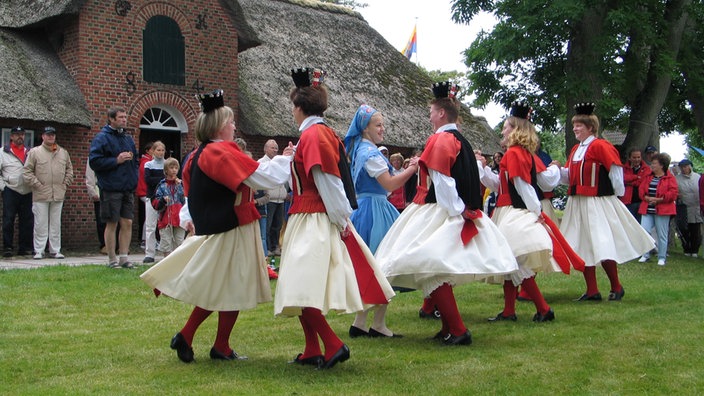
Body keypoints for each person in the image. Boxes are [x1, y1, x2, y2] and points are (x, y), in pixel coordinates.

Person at [141, 89, 294, 363]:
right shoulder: (221, 152)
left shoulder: (197, 154)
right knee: (231, 286)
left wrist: (191, 221)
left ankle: (200, 339)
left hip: (220, 226)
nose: (234, 126)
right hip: (232, 227)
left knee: (221, 286)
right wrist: (289, 159)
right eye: (231, 121)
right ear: (221, 125)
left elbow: (191, 195)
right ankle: (210, 342)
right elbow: (262, 176)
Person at [375, 81, 518, 345]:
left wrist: (458, 210)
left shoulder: (440, 139)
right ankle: (449, 327)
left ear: (441, 113)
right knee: (433, 266)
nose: (429, 116)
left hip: (439, 211)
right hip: (447, 209)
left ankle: (458, 329)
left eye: (431, 111)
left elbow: (443, 180)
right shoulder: (461, 140)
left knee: (431, 267)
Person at [274, 67, 394, 369]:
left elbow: (329, 182)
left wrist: (342, 221)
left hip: (314, 217)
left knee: (300, 286)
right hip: (308, 214)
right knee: (300, 286)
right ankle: (312, 348)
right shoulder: (317, 134)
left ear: (300, 106)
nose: (292, 111)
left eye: (293, 105)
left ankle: (332, 344)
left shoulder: (314, 135)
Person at [478, 102, 582, 322]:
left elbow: (523, 185)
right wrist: (482, 169)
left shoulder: (515, 153)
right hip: (508, 210)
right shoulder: (518, 153)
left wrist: (536, 213)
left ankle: (543, 308)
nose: (502, 131)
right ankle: (509, 311)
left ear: (514, 129)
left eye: (506, 127)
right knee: (510, 261)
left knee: (515, 261)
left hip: (513, 211)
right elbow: (501, 184)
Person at [559, 103, 654, 301]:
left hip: (597, 202)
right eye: (575, 125)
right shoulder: (576, 149)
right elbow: (569, 177)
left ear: (591, 128)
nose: (575, 128)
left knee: (603, 243)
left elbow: (616, 172)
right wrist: (555, 171)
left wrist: (615, 198)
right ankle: (592, 290)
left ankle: (616, 286)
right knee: (582, 243)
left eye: (579, 126)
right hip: (578, 202)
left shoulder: (601, 145)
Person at [343, 104, 419, 338]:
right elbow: (389, 184)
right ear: (365, 128)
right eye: (378, 125)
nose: (382, 129)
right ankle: (376, 323)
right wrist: (412, 169)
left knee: (373, 264)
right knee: (383, 263)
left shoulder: (362, 151)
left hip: (367, 208)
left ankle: (362, 321)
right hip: (374, 210)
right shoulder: (370, 154)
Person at [89, 107, 140, 269]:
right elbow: (95, 162)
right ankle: (112, 259)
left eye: (125, 117)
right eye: (121, 117)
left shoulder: (128, 138)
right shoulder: (102, 138)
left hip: (127, 187)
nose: (124, 120)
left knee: (127, 222)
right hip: (111, 187)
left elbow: (135, 159)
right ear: (111, 119)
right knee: (112, 223)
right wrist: (115, 161)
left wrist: (134, 175)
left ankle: (124, 257)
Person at [23, 127, 74, 259]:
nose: (51, 137)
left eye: (53, 135)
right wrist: (37, 185)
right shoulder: (34, 152)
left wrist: (64, 185)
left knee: (55, 224)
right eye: (48, 135)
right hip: (40, 194)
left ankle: (55, 250)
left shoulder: (63, 152)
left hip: (58, 193)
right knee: (40, 223)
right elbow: (27, 172)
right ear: (43, 136)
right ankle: (39, 250)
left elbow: (69, 171)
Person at [637, 153, 678, 265]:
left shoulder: (670, 178)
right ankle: (645, 254)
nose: (652, 165)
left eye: (655, 163)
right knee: (645, 231)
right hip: (647, 208)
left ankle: (662, 257)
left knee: (662, 234)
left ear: (662, 165)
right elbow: (641, 190)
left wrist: (659, 200)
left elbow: (673, 193)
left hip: (663, 209)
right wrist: (646, 197)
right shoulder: (648, 177)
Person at [0, 126, 33, 257]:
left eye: (22, 134)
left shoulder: (30, 152)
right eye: (17, 134)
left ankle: (23, 248)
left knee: (27, 220)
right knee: (8, 219)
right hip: (11, 190)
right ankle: (8, 247)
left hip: (27, 190)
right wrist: (4, 187)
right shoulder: (3, 152)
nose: (20, 137)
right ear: (11, 136)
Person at [151, 157, 185, 258]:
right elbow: (155, 203)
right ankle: (166, 260)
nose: (174, 170)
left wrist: (180, 187)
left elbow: (184, 199)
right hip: (165, 219)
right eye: (171, 168)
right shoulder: (161, 185)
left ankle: (177, 262)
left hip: (179, 218)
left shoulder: (181, 184)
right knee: (166, 242)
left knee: (179, 241)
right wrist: (162, 200)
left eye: (176, 168)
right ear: (166, 170)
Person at [258, 139, 288, 256]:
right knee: (268, 225)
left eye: (276, 148)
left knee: (278, 225)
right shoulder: (261, 162)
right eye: (272, 148)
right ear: (266, 149)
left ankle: (275, 246)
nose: (275, 150)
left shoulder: (279, 162)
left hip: (280, 199)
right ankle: (269, 248)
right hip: (270, 199)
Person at [143, 141, 166, 264]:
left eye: (162, 150)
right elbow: (148, 180)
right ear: (153, 151)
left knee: (165, 226)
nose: (160, 153)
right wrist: (162, 179)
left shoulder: (167, 164)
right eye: (158, 150)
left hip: (165, 197)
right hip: (152, 197)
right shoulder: (148, 165)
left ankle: (165, 250)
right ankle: (149, 253)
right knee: (151, 226)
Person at [675, 159, 702, 257]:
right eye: (682, 167)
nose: (684, 168)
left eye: (686, 166)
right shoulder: (677, 179)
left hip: (696, 207)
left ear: (690, 166)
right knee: (684, 229)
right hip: (683, 207)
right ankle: (686, 248)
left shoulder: (697, 177)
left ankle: (694, 250)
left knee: (695, 230)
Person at [621, 148, 651, 223]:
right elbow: (622, 179)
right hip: (628, 202)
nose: (636, 159)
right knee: (629, 225)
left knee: (641, 226)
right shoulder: (624, 168)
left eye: (638, 157)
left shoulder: (646, 169)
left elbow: (643, 182)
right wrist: (636, 177)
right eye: (634, 157)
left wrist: (629, 182)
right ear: (630, 158)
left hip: (641, 202)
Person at [85, 159, 107, 254]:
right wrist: (92, 191)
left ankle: (117, 245)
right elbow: (90, 175)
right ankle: (104, 244)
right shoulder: (94, 156)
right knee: (101, 221)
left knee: (116, 219)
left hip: (114, 190)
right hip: (99, 192)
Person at [137, 141, 154, 249]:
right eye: (153, 149)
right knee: (151, 216)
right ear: (148, 151)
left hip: (146, 192)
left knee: (151, 216)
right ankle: (145, 240)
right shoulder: (146, 163)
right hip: (145, 192)